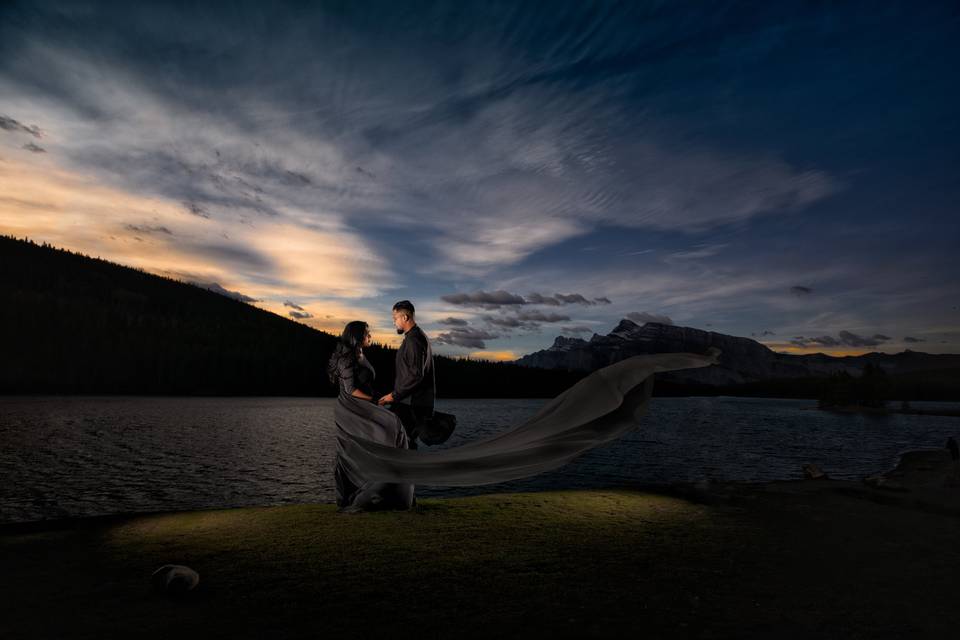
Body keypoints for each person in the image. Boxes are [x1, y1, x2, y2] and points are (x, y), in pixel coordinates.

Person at [327, 320, 414, 512]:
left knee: (390, 432)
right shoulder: (346, 358)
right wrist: (375, 400)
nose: (370, 336)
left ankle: (390, 490)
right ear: (357, 336)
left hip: (363, 405)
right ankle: (358, 494)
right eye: (367, 333)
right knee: (390, 427)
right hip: (351, 408)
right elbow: (350, 390)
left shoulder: (359, 354)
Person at [378, 300, 435, 450]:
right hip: (410, 402)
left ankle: (406, 472)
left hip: (411, 405)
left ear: (405, 318)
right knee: (403, 443)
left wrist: (394, 395)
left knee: (400, 443)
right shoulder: (415, 336)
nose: (393, 322)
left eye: (395, 318)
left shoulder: (414, 339)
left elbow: (416, 375)